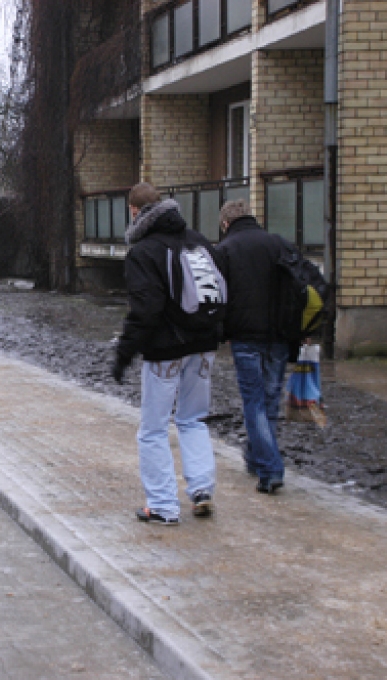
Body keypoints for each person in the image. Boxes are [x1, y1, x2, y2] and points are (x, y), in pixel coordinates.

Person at [111, 182, 222, 525]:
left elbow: (146, 309)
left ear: (134, 212)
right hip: (204, 346)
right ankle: (201, 488)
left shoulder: (144, 252)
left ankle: (162, 505)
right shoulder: (198, 242)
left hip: (165, 351)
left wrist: (124, 353)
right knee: (193, 419)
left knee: (153, 429)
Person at [213, 198, 290, 495]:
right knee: (269, 400)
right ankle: (256, 458)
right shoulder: (278, 244)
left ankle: (271, 469)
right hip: (280, 337)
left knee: (254, 402)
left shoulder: (225, 251)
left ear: (225, 224)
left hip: (245, 337)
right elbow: (303, 282)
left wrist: (221, 331)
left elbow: (218, 296)